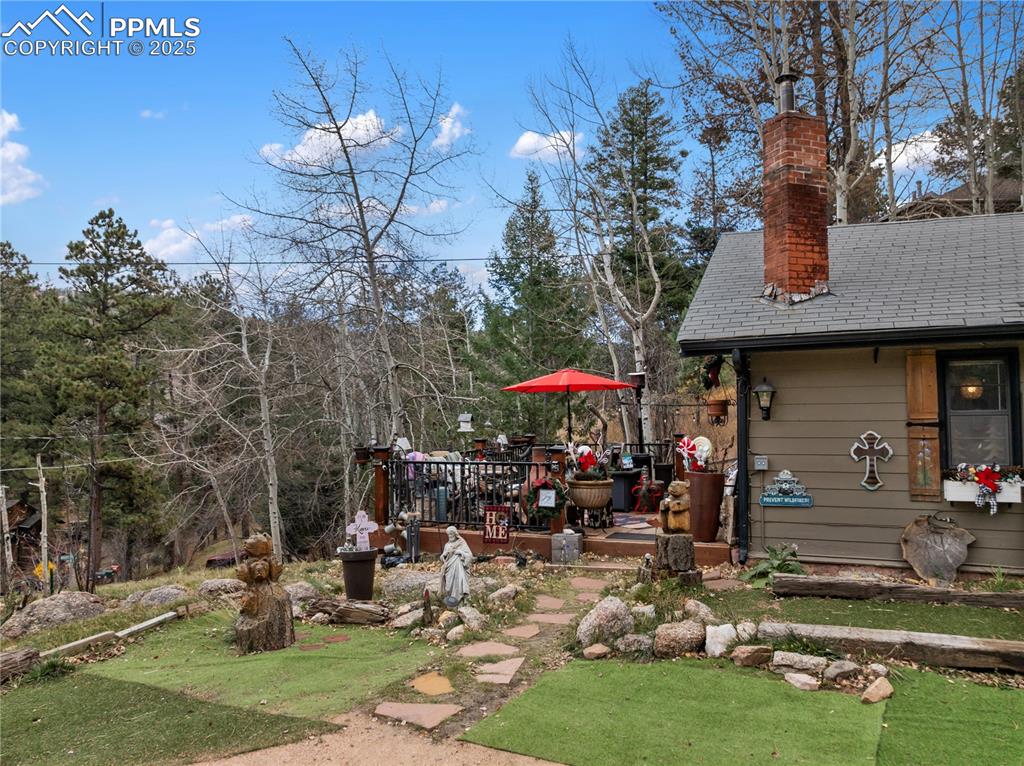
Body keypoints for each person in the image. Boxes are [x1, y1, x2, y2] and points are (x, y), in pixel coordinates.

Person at [440, 525, 473, 607]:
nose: (450, 536)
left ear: (455, 534)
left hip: (459, 567)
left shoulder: (462, 543)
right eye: (448, 535)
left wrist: (460, 552)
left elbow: (469, 555)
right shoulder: (447, 545)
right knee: (449, 586)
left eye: (451, 534)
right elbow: (442, 558)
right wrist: (444, 555)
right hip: (449, 567)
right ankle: (451, 602)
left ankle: (460, 602)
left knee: (458, 583)